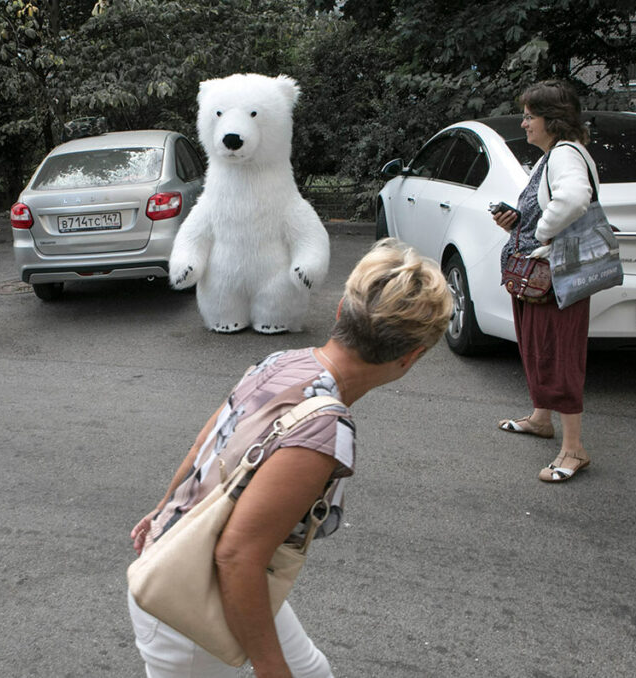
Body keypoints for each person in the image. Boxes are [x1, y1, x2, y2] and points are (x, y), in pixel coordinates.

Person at [128, 238, 453, 677]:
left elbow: (207, 441)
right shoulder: (323, 429)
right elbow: (236, 556)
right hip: (185, 599)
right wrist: (269, 668)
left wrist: (163, 509)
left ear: (340, 312)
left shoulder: (283, 362)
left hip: (188, 558)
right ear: (411, 357)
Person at [491, 80, 599, 482]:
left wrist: (541, 232)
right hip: (540, 277)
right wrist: (518, 222)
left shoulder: (566, 155)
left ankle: (574, 449)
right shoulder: (550, 156)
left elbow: (573, 199)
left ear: (552, 120)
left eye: (529, 116)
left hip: (556, 275)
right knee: (538, 346)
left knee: (559, 353)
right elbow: (546, 209)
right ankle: (541, 418)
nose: (523, 123)